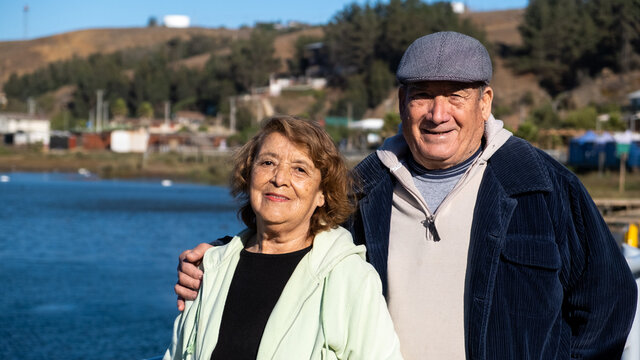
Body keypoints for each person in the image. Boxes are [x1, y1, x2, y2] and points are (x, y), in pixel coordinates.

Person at [175, 32, 637, 359]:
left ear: (486, 101)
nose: (438, 114)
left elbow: (609, 302)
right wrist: (218, 260)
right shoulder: (365, 188)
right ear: (401, 103)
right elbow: (292, 235)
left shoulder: (541, 184)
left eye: (455, 95)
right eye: (422, 96)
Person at [164, 116, 402, 360]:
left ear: (322, 194)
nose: (279, 179)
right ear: (249, 176)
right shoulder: (209, 271)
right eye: (268, 162)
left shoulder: (351, 279)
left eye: (300, 169)